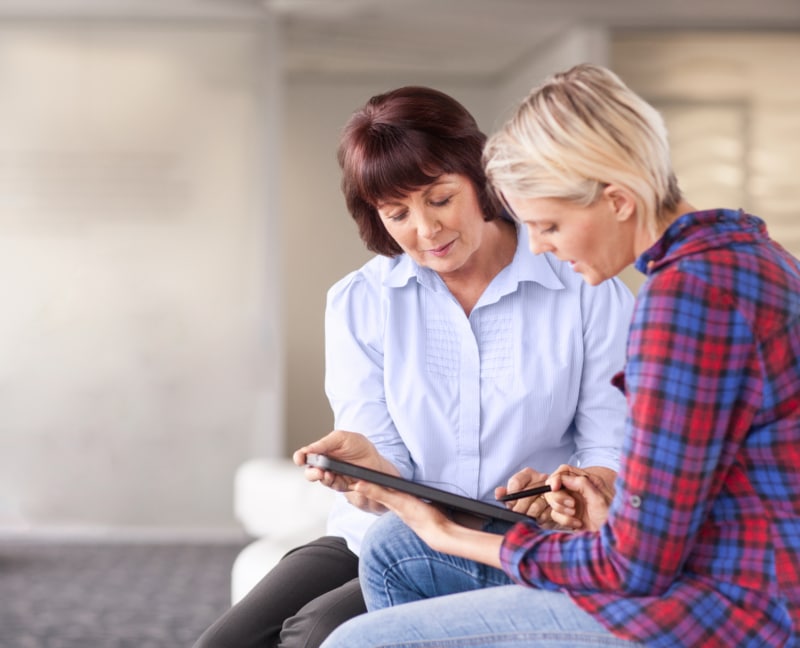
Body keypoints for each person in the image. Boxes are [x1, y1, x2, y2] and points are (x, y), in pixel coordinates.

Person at [319, 64, 800, 648]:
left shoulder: (682, 303)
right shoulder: (749, 251)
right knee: (394, 545)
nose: (539, 245)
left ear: (618, 201)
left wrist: (447, 534)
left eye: (548, 224)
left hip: (732, 603)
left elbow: (631, 568)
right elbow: (680, 493)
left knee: (354, 640)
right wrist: (594, 495)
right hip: (734, 564)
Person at [194, 84, 633, 648]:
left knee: (318, 633)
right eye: (397, 213)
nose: (426, 231)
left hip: (516, 538)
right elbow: (381, 469)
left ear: (480, 181)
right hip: (384, 532)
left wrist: (572, 491)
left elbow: (610, 448)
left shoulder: (585, 290)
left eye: (440, 199)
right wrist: (368, 473)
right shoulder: (361, 301)